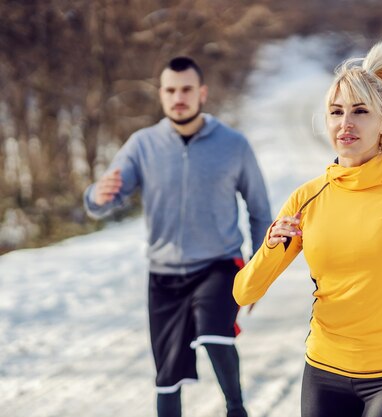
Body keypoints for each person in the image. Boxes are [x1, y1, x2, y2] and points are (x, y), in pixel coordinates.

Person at [233, 40, 382, 417]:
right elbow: (245, 291)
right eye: (336, 112)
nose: (345, 124)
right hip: (322, 373)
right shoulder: (307, 198)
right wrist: (271, 245)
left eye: (360, 111)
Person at [84, 56, 272, 417]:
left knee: (215, 333)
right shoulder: (142, 145)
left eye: (186, 89)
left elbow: (259, 210)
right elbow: (104, 200)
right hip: (164, 276)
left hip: (219, 264)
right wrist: (97, 195)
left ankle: (237, 408)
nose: (178, 97)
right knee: (166, 377)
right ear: (161, 94)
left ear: (201, 93)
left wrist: (259, 272)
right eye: (170, 90)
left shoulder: (234, 145)